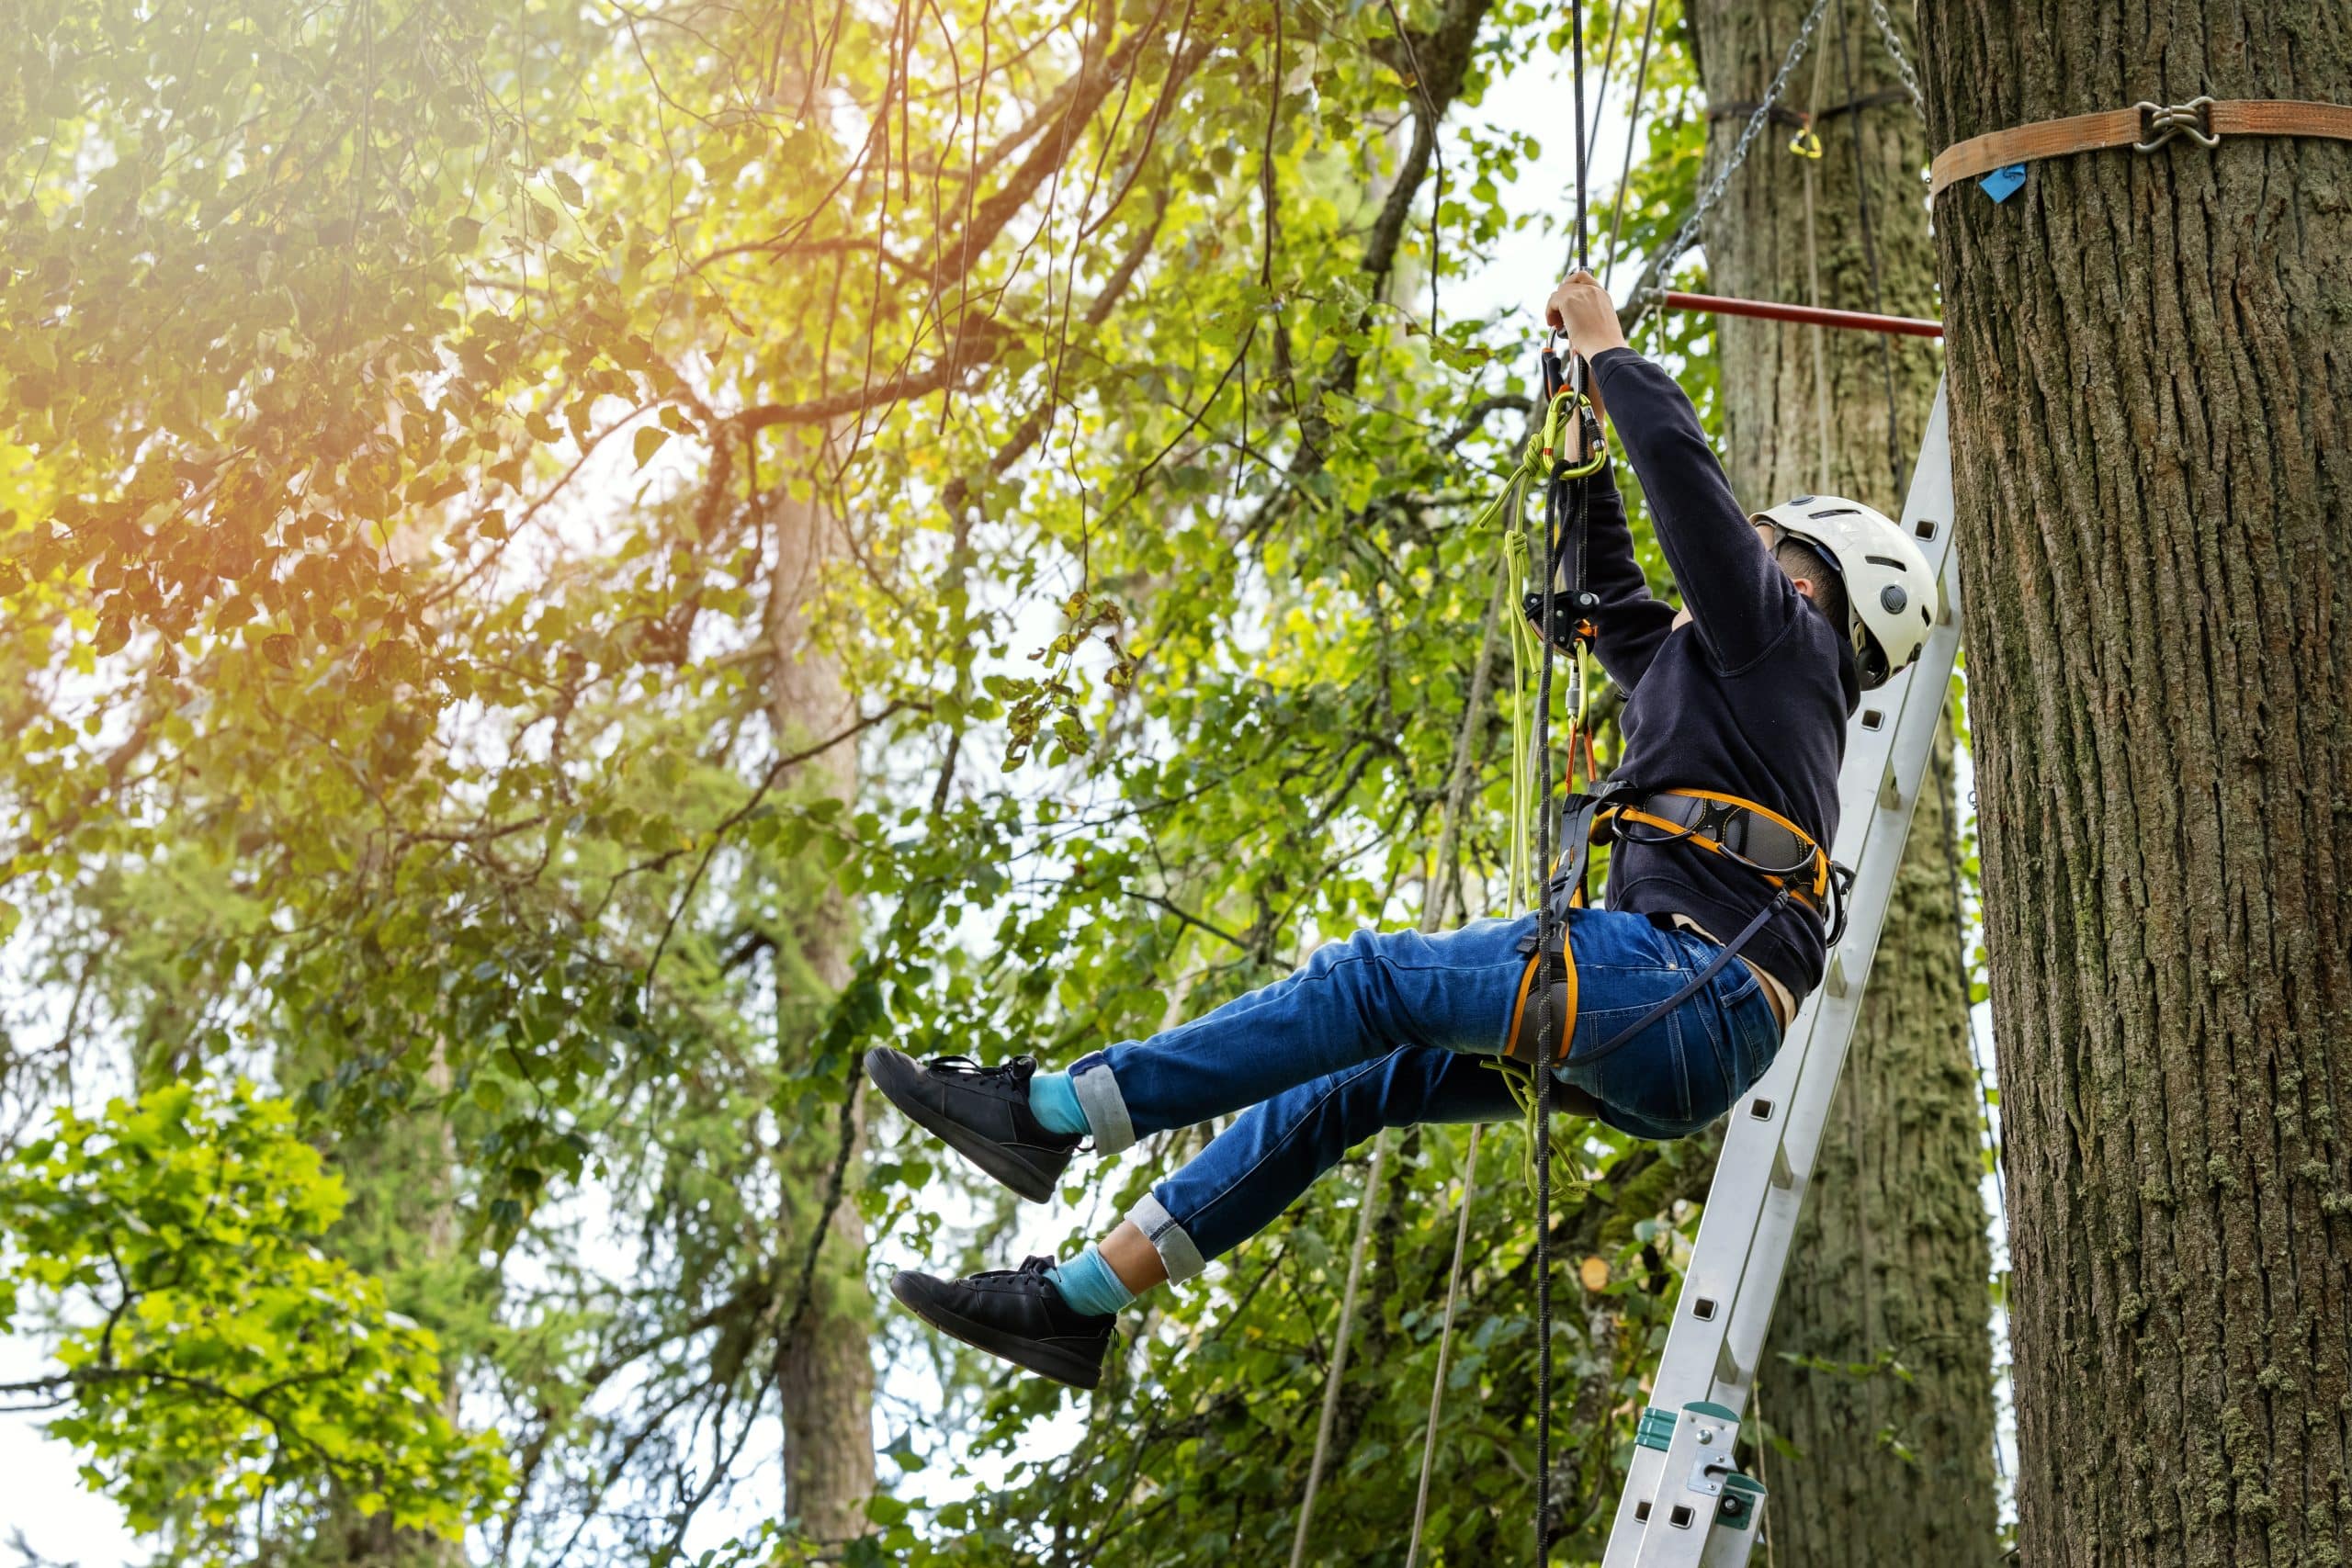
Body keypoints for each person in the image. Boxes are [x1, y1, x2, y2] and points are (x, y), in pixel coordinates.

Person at [865, 272, 1939, 1391]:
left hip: (1676, 987)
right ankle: (1073, 1304)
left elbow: (1687, 488)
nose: (1737, 567)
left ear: (1811, 581)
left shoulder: (1790, 647)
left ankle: (1052, 1111)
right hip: (1674, 1027)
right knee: (1356, 1079)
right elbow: (1610, 598)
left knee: (1365, 981)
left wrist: (1612, 353)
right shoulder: (1730, 681)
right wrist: (1579, 447)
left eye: (1766, 551)